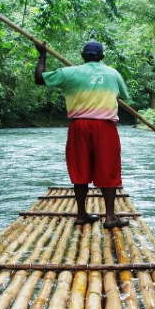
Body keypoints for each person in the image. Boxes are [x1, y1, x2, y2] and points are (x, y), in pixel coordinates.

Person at [34, 40, 131, 229]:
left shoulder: (70, 73)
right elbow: (124, 96)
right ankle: (110, 217)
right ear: (102, 57)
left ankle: (81, 214)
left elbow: (39, 78)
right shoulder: (113, 73)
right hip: (105, 126)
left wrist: (42, 54)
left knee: (80, 170)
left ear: (82, 56)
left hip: (79, 127)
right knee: (108, 170)